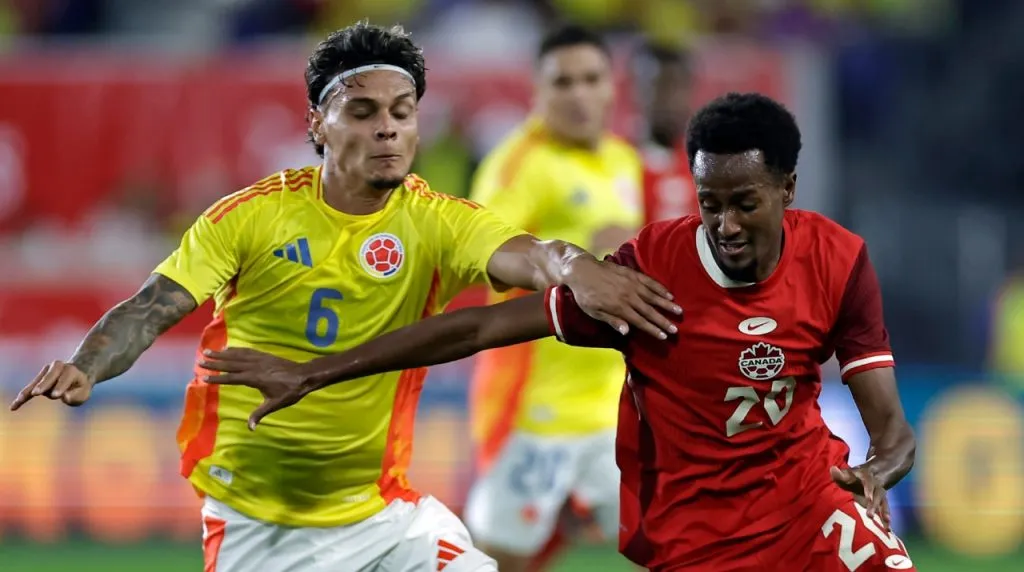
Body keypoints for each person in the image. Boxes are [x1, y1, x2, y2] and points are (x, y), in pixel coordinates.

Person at [8, 23, 681, 572]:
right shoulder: (251, 217)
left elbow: (530, 253)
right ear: (319, 124)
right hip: (260, 525)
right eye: (362, 112)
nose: (386, 129)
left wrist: (574, 266)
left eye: (402, 112)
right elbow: (152, 307)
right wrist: (87, 364)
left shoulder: (438, 220)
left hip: (382, 516)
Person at [197, 93, 919, 572]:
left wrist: (876, 474)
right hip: (701, 538)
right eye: (710, 204)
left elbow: (893, 434)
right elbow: (481, 327)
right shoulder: (650, 276)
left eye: (745, 204)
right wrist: (318, 369)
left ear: (788, 191)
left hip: (809, 503)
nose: (725, 225)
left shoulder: (839, 261)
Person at [465, 24, 643, 570]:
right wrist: (576, 264)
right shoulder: (518, 165)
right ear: (537, 93)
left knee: (671, 540)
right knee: (502, 558)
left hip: (611, 403)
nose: (579, 94)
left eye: (591, 79)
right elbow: (486, 262)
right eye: (562, 82)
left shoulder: (622, 161)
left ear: (612, 87)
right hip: (533, 407)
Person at [633, 40, 697, 224]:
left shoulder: (707, 168)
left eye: (679, 87)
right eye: (659, 86)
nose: (671, 98)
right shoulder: (618, 164)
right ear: (636, 90)